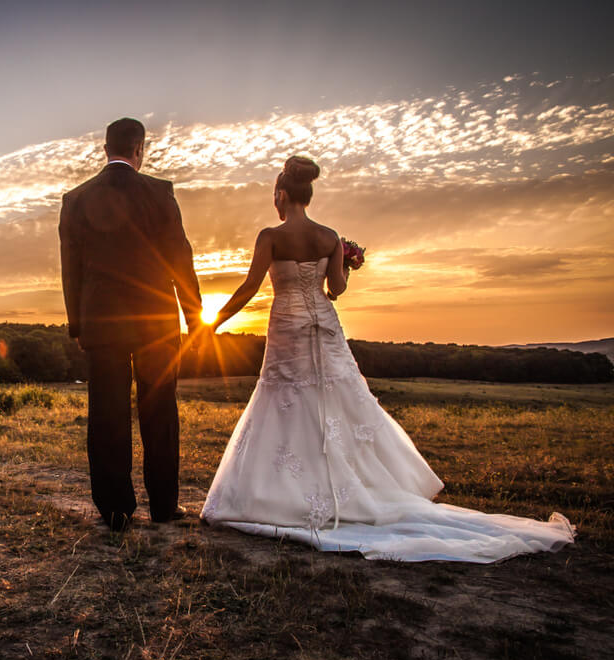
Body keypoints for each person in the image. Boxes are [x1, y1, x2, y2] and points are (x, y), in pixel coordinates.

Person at [199, 155, 575, 562]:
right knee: (336, 401)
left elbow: (250, 287)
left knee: (284, 401)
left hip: (288, 328)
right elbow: (336, 289)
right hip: (324, 326)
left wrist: (213, 323)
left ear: (282, 195)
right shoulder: (329, 237)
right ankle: (345, 491)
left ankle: (283, 495)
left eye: (275, 194)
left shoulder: (269, 236)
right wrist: (346, 262)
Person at [59, 117, 203, 531]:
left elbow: (71, 270)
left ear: (105, 149)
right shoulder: (160, 193)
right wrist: (194, 318)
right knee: (159, 410)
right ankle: (163, 506)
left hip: (101, 322)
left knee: (107, 412)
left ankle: (116, 510)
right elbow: (180, 258)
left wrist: (77, 324)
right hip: (156, 320)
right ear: (140, 150)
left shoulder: (76, 199)